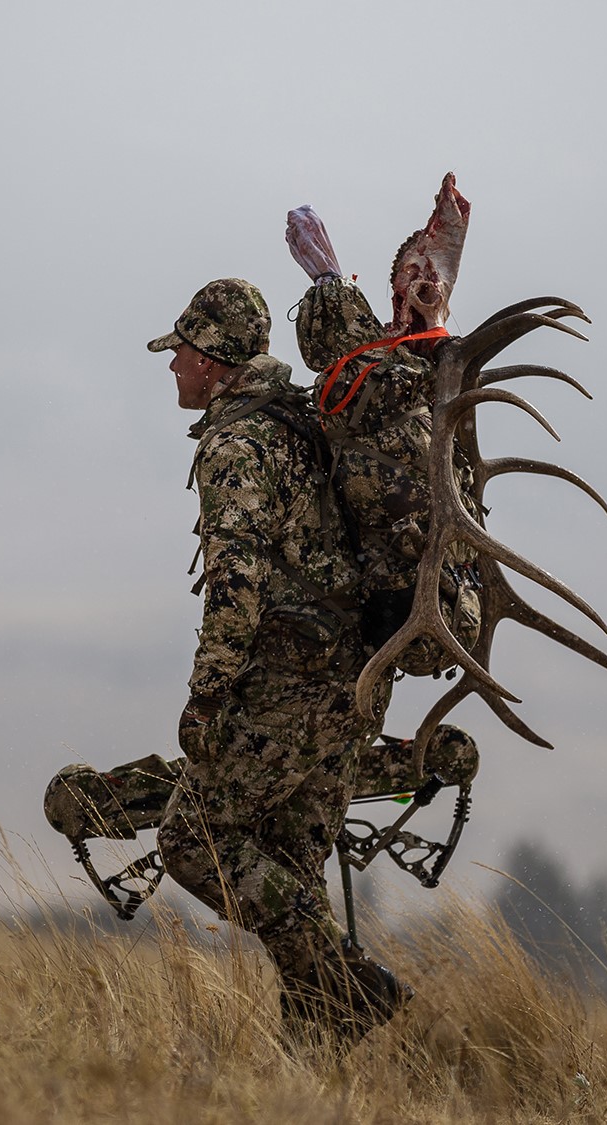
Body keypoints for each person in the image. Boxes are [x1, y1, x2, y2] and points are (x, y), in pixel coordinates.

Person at [145, 278, 409, 1047]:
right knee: (291, 859)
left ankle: (344, 985)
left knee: (191, 837)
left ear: (216, 361)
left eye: (183, 352)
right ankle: (312, 1060)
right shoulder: (303, 419)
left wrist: (207, 696)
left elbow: (236, 585)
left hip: (289, 687)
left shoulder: (238, 444)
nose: (173, 368)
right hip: (357, 683)